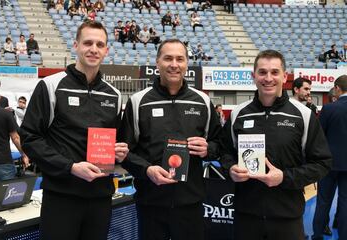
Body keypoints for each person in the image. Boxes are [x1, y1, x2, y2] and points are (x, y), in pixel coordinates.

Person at [20, 20, 129, 240]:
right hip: (62, 197)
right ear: (75, 45)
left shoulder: (114, 95)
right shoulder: (50, 85)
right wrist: (70, 167)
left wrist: (120, 152)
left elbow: (119, 142)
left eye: (100, 44)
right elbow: (30, 138)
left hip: (100, 198)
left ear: (106, 50)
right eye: (88, 42)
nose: (93, 49)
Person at [219, 49, 332, 240]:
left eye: (274, 72)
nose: (268, 78)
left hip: (287, 217)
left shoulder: (303, 115)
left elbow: (322, 163)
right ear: (254, 76)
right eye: (262, 72)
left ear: (284, 76)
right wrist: (231, 169)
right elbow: (224, 152)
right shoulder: (239, 114)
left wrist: (284, 177)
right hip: (246, 216)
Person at [119, 39, 221, 240]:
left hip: (190, 205)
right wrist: (147, 170)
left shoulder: (202, 101)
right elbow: (123, 151)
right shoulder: (138, 101)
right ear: (157, 63)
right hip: (150, 204)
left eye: (179, 59)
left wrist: (208, 148)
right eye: (168, 58)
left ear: (187, 64)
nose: (174, 64)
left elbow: (221, 144)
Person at [312, 75, 347, 240]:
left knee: (323, 201)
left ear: (337, 89)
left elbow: (319, 137)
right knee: (345, 202)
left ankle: (317, 235)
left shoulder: (329, 109)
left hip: (328, 163)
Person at [0, 86, 29, 197]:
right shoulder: (6, 114)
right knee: (8, 196)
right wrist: (24, 154)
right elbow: (15, 137)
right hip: (4, 160)